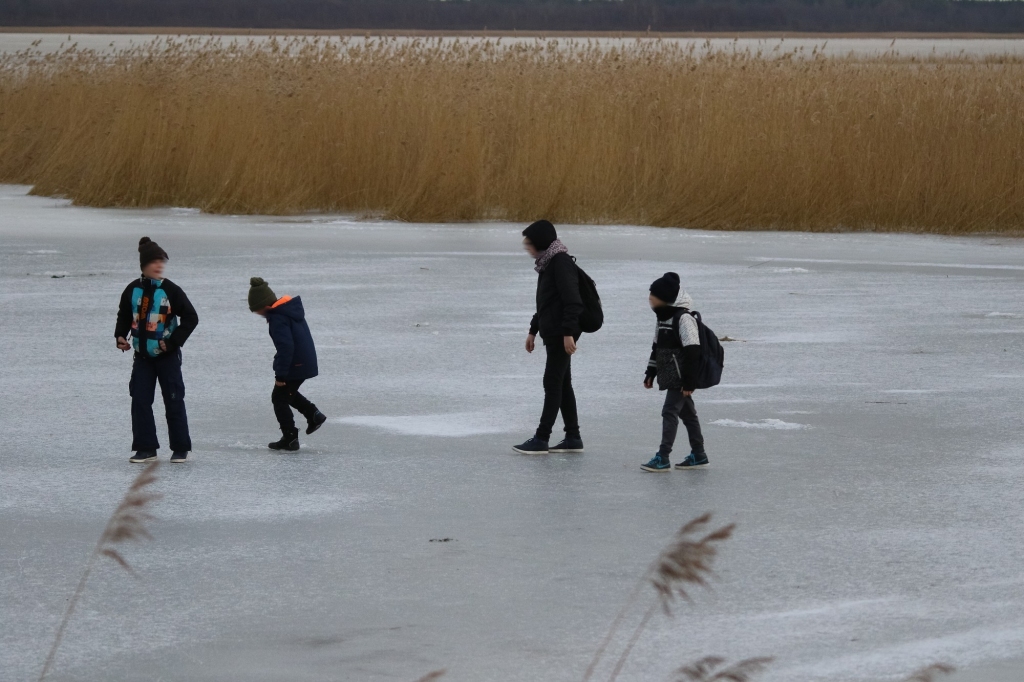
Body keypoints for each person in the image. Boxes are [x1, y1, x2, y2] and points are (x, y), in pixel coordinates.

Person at [115, 237, 199, 464]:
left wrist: (172, 343)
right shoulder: (132, 290)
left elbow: (191, 318)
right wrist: (120, 336)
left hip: (167, 357)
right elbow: (124, 314)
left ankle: (180, 448)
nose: (159, 266)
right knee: (140, 401)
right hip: (142, 357)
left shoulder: (171, 290)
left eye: (162, 262)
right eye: (155, 262)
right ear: (144, 265)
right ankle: (145, 448)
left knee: (173, 400)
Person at [513, 220, 585, 455]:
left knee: (552, 383)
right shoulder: (548, 263)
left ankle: (541, 438)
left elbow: (572, 301)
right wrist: (533, 330)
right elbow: (546, 303)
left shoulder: (560, 263)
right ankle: (573, 437)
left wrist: (568, 333)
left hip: (560, 334)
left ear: (541, 243)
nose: (528, 249)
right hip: (554, 332)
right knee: (562, 384)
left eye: (530, 245)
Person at [640, 272, 709, 472]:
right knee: (688, 415)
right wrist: (650, 372)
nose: (650, 298)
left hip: (681, 378)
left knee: (669, 412)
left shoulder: (683, 318)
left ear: (666, 298)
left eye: (653, 296)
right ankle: (699, 454)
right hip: (669, 375)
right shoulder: (662, 318)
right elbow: (656, 347)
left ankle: (663, 457)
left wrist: (689, 382)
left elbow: (693, 351)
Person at [248, 277, 327, 451]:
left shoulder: (278, 318)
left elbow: (286, 347)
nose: (259, 314)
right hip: (304, 361)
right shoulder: (288, 311)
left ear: (265, 305)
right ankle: (314, 415)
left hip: (296, 364)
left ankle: (290, 437)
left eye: (258, 310)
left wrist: (280, 375)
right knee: (287, 394)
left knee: (279, 397)